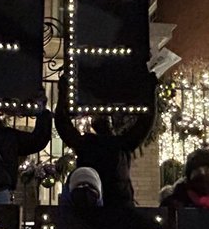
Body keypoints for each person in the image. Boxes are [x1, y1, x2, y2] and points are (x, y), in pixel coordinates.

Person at [55, 72, 157, 207]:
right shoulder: (121, 145)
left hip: (92, 209)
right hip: (119, 210)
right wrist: (150, 94)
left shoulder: (88, 145)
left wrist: (63, 93)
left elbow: (63, 124)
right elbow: (145, 123)